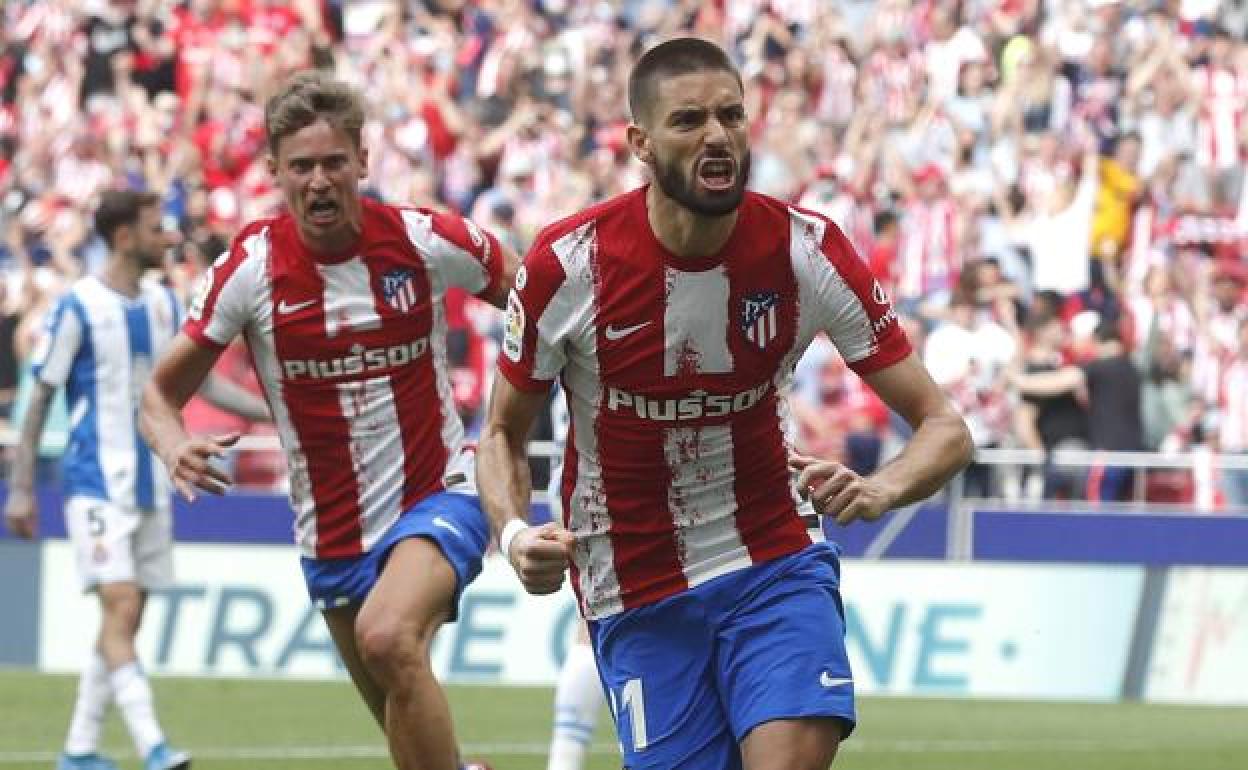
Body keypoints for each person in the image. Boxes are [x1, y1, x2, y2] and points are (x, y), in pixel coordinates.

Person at [476, 38, 972, 770]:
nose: (717, 135)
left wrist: (880, 487)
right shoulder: (568, 264)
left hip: (774, 557)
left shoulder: (807, 251)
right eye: (689, 120)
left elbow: (945, 428)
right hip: (633, 583)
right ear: (640, 142)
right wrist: (515, 534)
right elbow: (500, 435)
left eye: (731, 115)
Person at [137, 71, 515, 770]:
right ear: (275, 171)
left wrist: (512, 421)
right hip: (331, 535)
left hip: (438, 495)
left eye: (334, 162)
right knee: (404, 719)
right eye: (302, 166)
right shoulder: (250, 271)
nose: (319, 181)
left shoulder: (423, 240)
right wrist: (171, 444)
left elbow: (538, 311)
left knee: (387, 639)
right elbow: (159, 393)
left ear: (363, 161)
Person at [3, 190, 271, 770]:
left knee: (125, 616)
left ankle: (78, 750)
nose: (167, 237)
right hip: (95, 482)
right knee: (121, 604)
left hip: (154, 478)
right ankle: (154, 746)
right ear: (124, 237)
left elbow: (197, 383)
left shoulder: (162, 303)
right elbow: (41, 394)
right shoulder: (78, 306)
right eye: (155, 228)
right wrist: (22, 487)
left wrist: (270, 410)